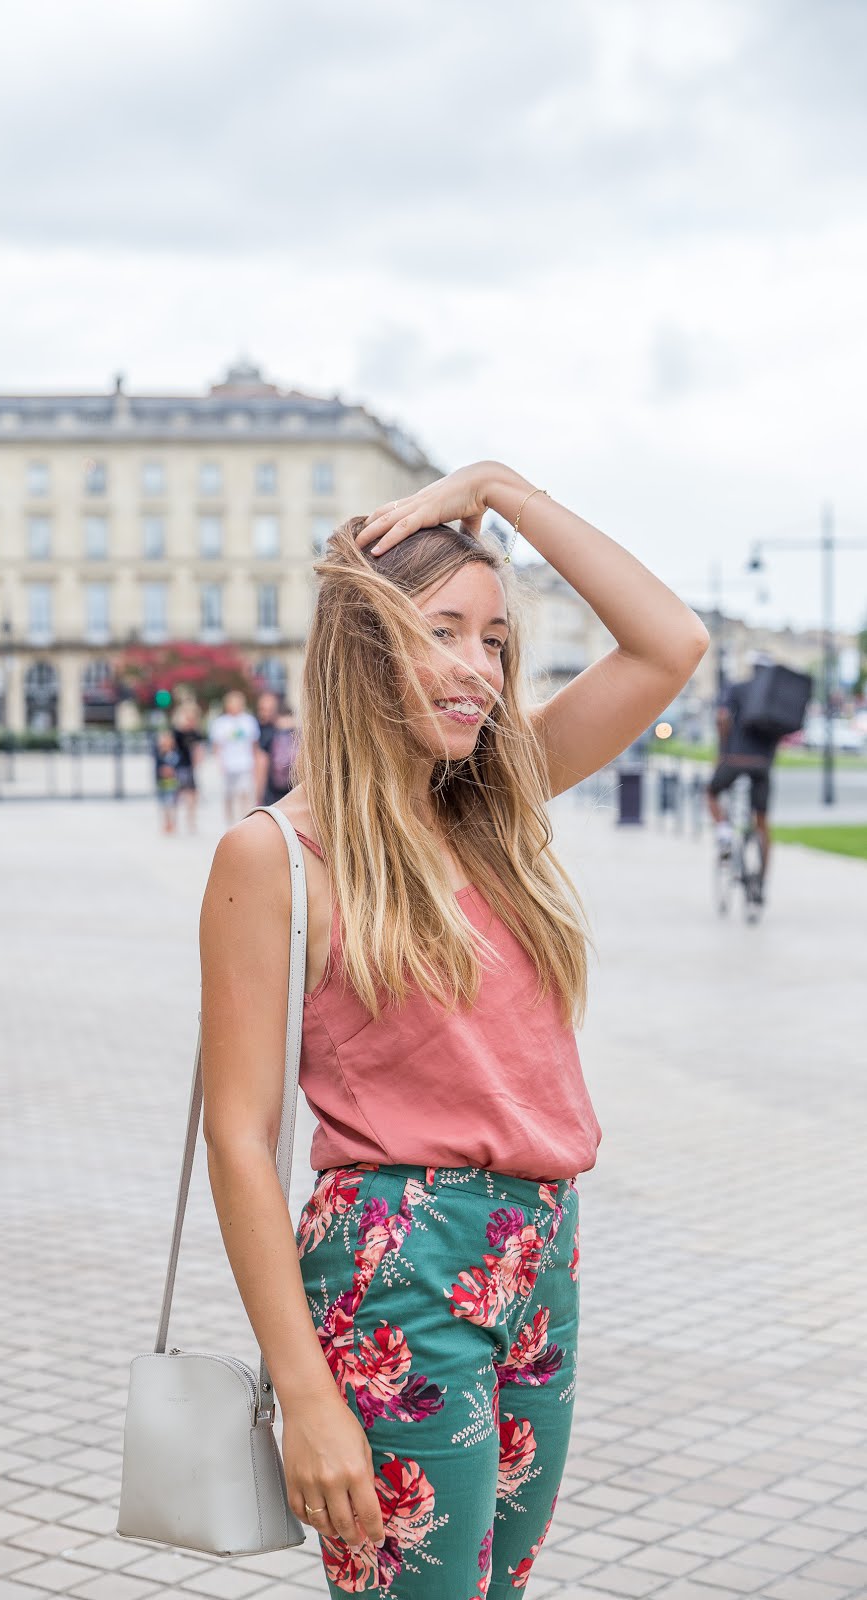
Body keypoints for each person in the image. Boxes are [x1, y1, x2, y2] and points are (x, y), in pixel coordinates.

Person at [199, 461, 708, 1596]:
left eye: (494, 641)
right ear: (364, 648)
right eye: (443, 632)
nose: (479, 669)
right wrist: (306, 1392)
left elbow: (667, 643)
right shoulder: (274, 857)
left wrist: (501, 491)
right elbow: (238, 1137)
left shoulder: (489, 801)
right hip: (396, 1269)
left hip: (538, 1252)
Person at [706, 653, 782, 896]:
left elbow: (722, 718)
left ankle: (725, 834)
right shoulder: (775, 698)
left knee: (711, 793)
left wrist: (722, 751)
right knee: (762, 823)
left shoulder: (737, 688)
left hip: (735, 759)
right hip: (762, 764)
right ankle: (761, 880)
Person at [209, 689, 261, 825]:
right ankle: (229, 820)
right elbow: (217, 745)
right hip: (228, 764)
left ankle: (244, 820)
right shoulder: (220, 723)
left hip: (245, 763)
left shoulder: (249, 721)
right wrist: (219, 762)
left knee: (244, 793)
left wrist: (256, 762)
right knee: (228, 794)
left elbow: (254, 744)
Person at [257, 703, 300, 807]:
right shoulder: (300, 734)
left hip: (273, 791)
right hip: (295, 789)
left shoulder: (270, 734)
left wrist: (259, 794)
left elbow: (261, 765)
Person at [172, 702, 205, 834]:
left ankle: (191, 821)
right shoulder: (177, 732)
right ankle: (173, 821)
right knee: (177, 795)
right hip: (178, 766)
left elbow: (199, 748)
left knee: (192, 795)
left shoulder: (195, 732)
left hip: (190, 767)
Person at [153, 728, 181, 834]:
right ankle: (166, 823)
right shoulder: (158, 754)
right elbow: (157, 768)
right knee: (164, 804)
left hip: (173, 783)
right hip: (162, 783)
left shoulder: (175, 753)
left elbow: (177, 766)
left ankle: (173, 823)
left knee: (172, 804)